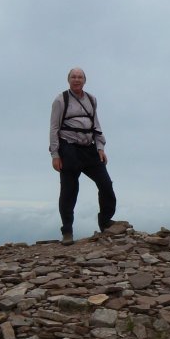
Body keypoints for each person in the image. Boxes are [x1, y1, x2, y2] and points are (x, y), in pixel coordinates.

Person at [49, 67, 119, 245]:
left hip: (89, 148)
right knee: (69, 191)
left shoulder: (91, 99)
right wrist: (55, 154)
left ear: (84, 80)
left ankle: (105, 222)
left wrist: (101, 147)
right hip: (68, 148)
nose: (76, 80)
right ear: (68, 80)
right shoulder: (60, 100)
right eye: (73, 77)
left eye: (80, 77)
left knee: (106, 185)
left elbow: (96, 124)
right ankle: (67, 231)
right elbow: (54, 128)